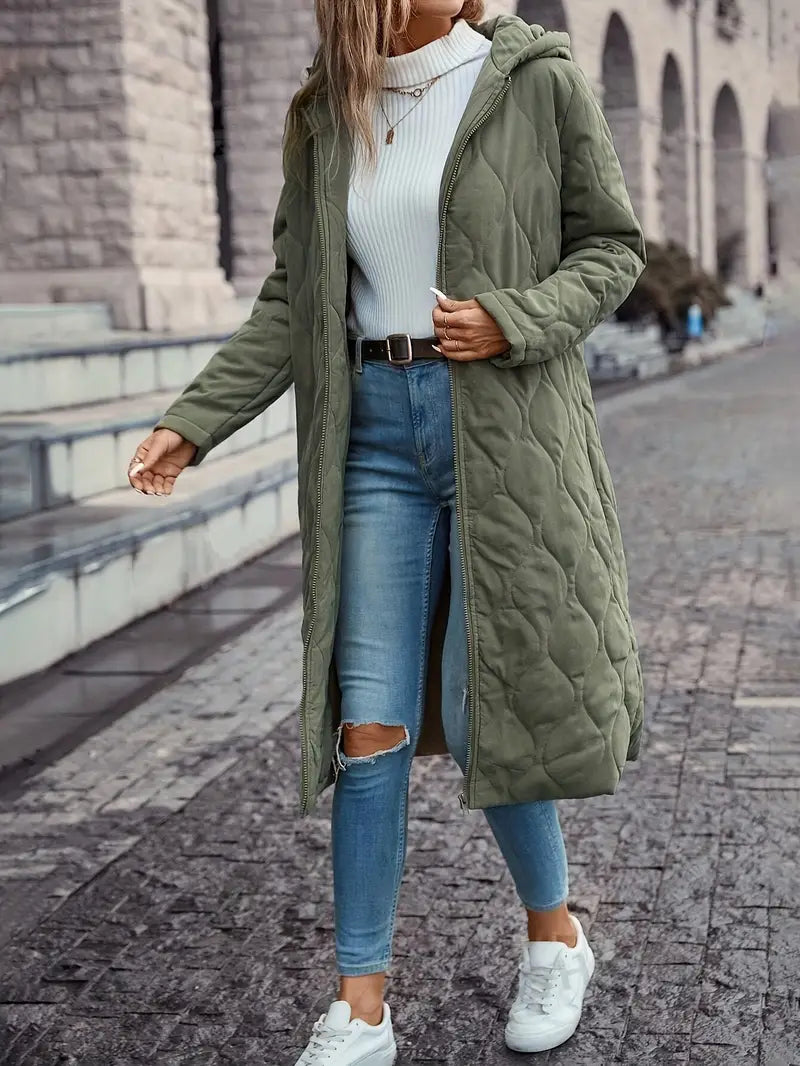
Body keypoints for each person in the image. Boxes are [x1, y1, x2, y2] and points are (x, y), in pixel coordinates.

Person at [128, 2, 646, 1062]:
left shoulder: (534, 79)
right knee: (367, 725)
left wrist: (516, 315)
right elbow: (292, 295)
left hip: (498, 430)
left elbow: (610, 249)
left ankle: (555, 932)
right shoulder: (328, 105)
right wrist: (195, 420)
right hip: (370, 443)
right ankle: (361, 1004)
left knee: (482, 696)